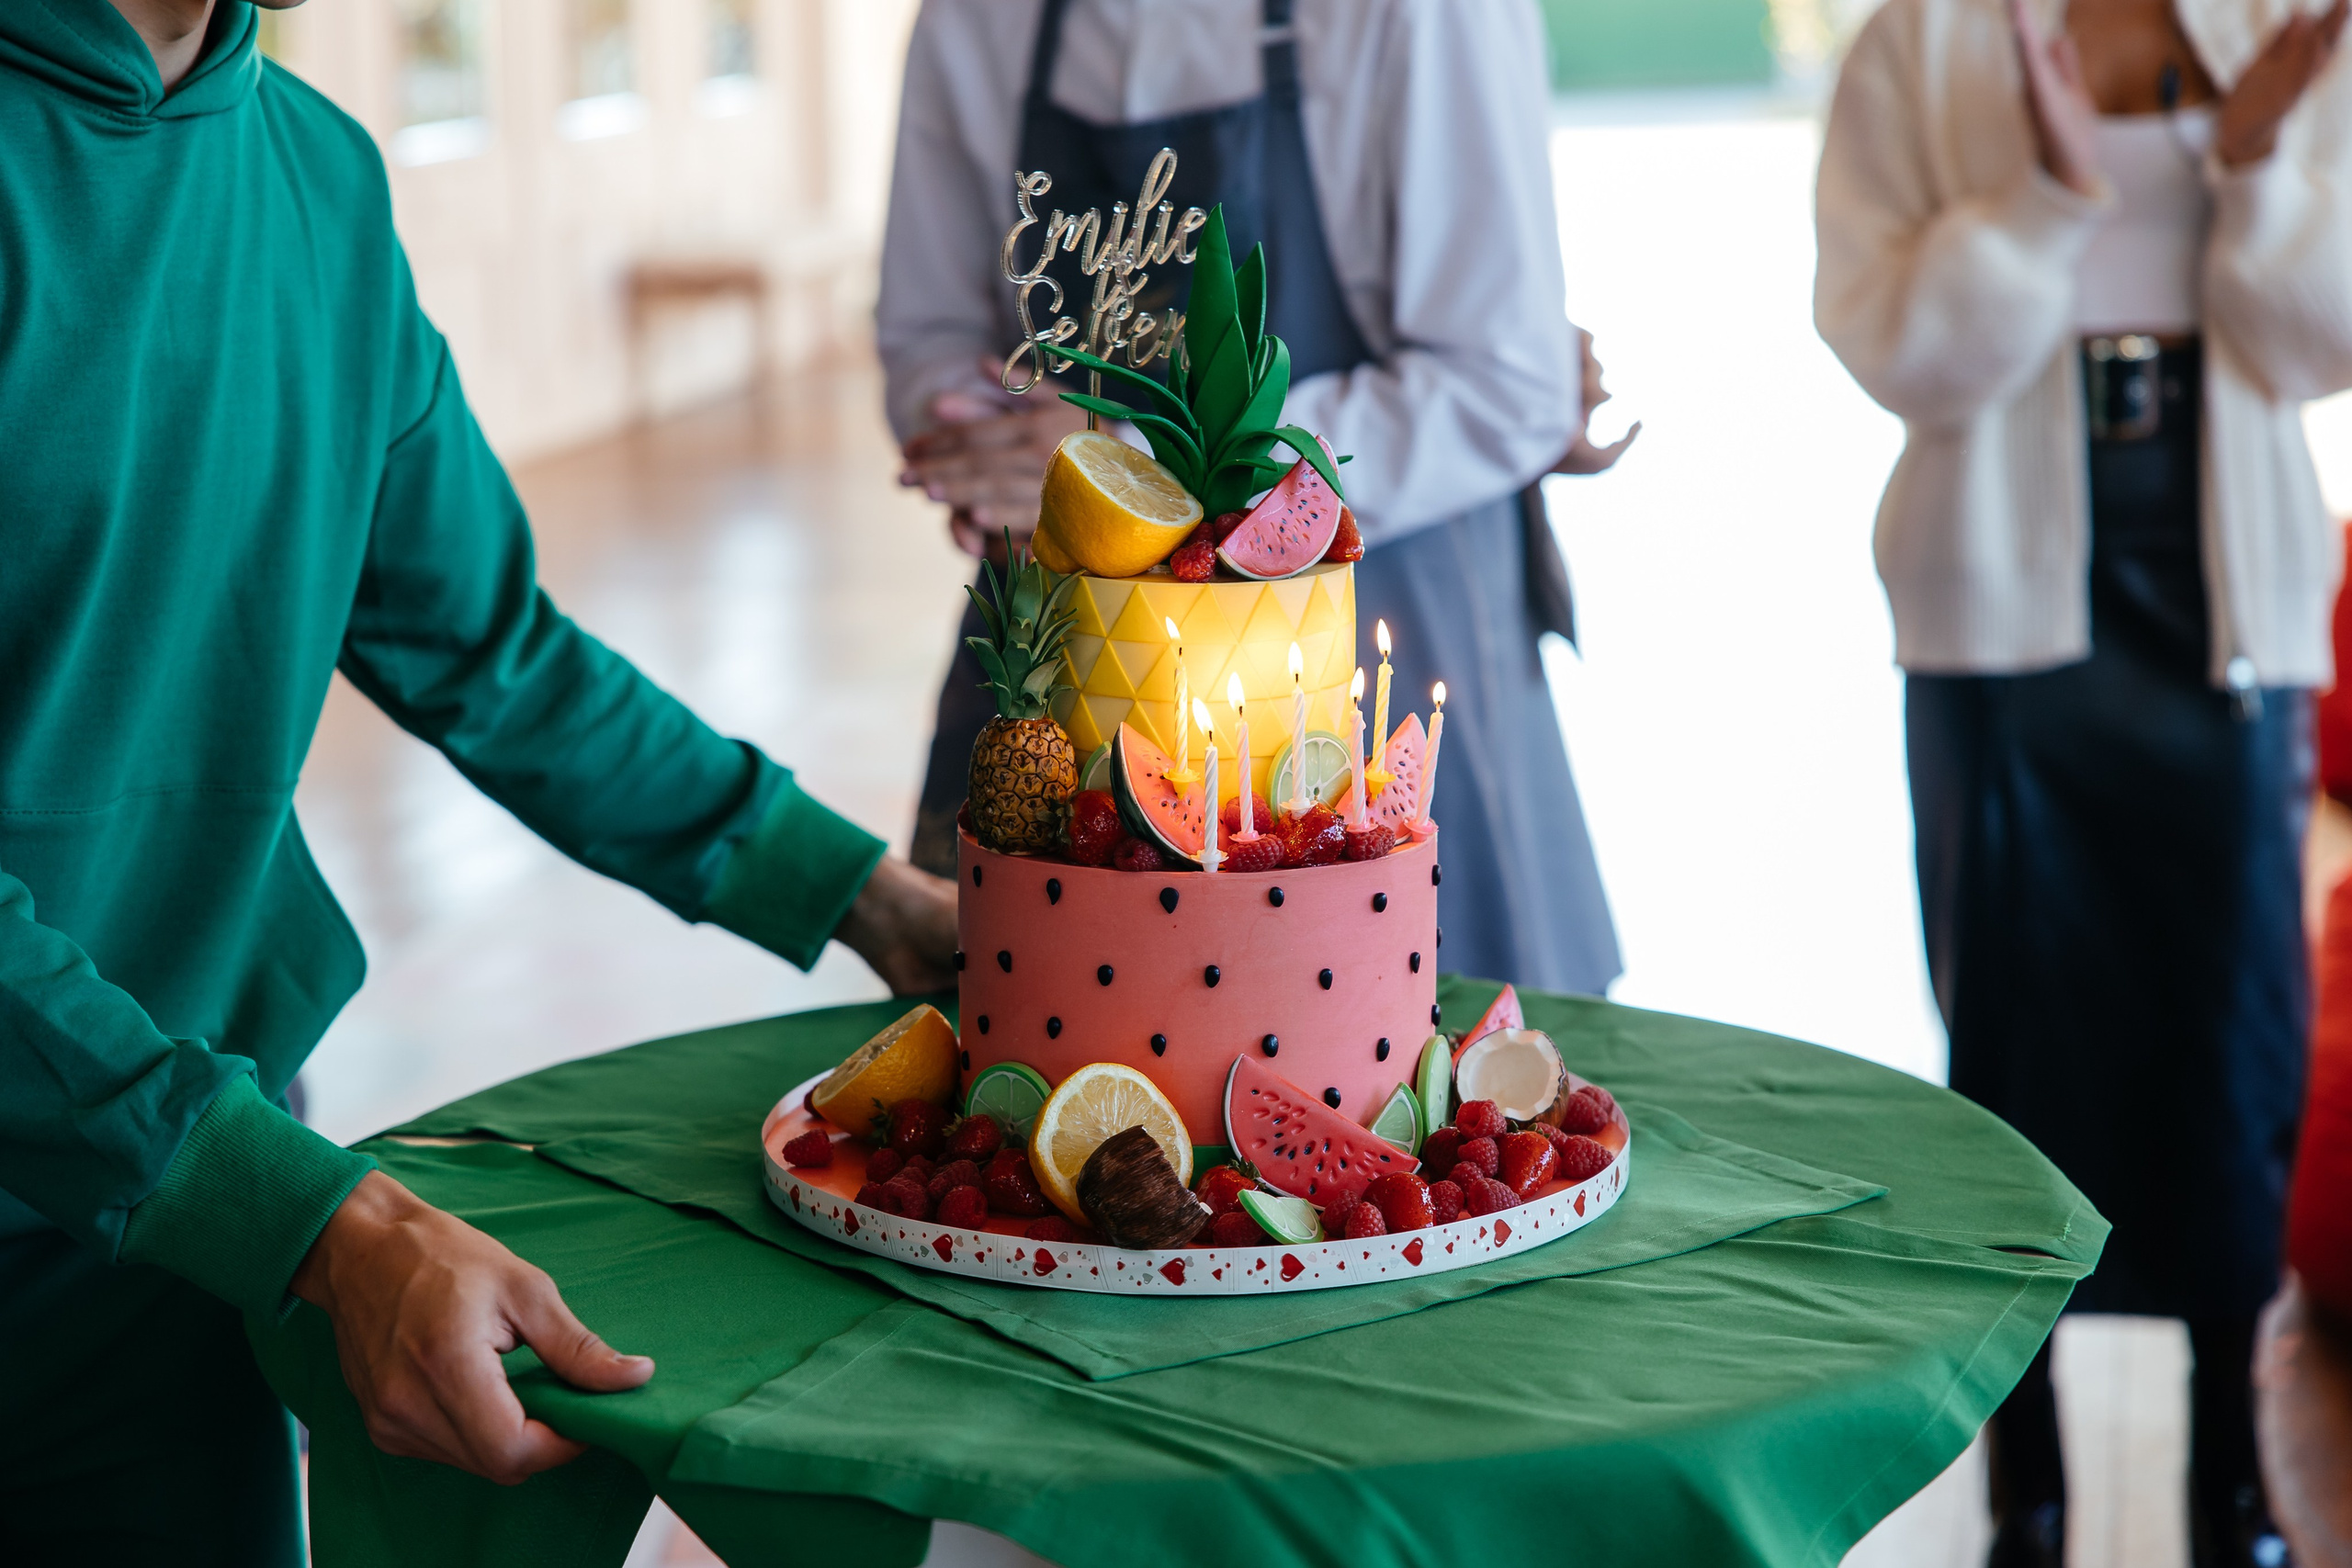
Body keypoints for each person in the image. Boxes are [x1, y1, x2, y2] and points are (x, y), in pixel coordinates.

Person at [0, 3, 958, 1562]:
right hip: (202, 1169)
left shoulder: (315, 178)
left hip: (170, 1229)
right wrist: (324, 1223)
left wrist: (868, 899)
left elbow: (494, 650)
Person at [1815, 0, 2352, 1562]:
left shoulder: (2284, 26)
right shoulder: (1919, 42)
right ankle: (2026, 1485)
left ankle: (2229, 1473)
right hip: (1994, 610)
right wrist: (2045, 193)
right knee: (2015, 1044)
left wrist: (2255, 164)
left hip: (2224, 600)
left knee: (2236, 1037)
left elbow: (2319, 337)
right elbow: (1897, 350)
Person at [878, 0, 1635, 996]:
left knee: (1409, 1067)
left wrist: (1118, 456)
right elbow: (927, 332)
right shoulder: (979, 20)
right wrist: (984, 444)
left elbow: (1506, 382)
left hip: (1374, 611)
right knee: (1032, 1071)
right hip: (1066, 634)